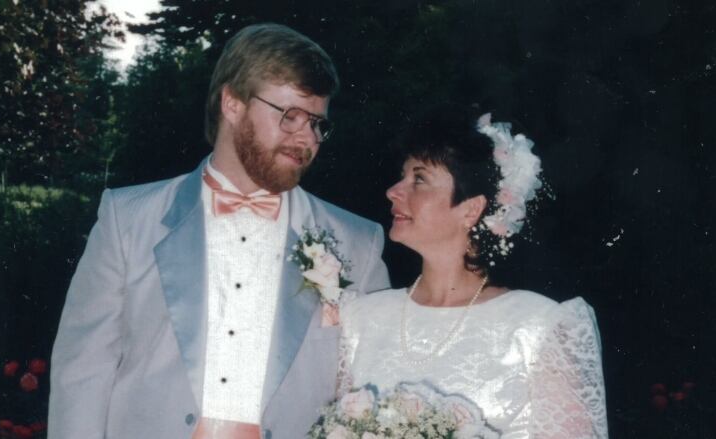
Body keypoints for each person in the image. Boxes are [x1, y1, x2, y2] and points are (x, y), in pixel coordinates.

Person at [48, 23, 390, 439]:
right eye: (290, 116)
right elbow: (82, 372)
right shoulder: (129, 220)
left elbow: (371, 389)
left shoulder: (358, 242)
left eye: (317, 123)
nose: (307, 138)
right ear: (232, 103)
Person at [338, 109, 608, 438]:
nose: (393, 190)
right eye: (402, 175)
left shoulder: (538, 326)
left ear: (471, 208)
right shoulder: (360, 319)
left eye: (419, 179)